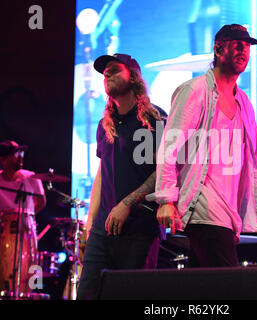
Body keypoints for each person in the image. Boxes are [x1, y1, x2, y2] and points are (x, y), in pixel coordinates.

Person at [147, 24, 257, 268]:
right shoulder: (194, 91)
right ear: (219, 49)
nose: (243, 50)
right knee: (228, 283)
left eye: (247, 46)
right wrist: (166, 199)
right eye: (236, 44)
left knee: (203, 285)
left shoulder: (243, 102)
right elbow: (170, 146)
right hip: (203, 208)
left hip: (228, 213)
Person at [77, 53, 167, 300]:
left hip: (140, 227)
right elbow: (102, 175)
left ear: (133, 76)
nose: (107, 75)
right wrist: (90, 222)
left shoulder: (153, 119)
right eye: (105, 72)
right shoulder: (105, 124)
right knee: (87, 294)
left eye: (115, 70)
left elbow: (165, 171)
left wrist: (127, 203)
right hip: (102, 229)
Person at [0, 140, 46, 214]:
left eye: (21, 153)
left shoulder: (32, 178)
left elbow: (41, 203)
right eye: (16, 154)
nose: (20, 157)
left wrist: (27, 217)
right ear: (3, 159)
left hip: (26, 225)